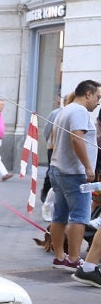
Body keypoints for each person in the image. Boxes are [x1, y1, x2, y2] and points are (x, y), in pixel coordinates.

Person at [47, 79, 99, 271]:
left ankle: (60, 257)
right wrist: (88, 167)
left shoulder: (65, 110)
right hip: (74, 172)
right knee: (79, 217)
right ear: (88, 94)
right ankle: (74, 259)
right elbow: (77, 139)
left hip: (59, 169)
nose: (98, 101)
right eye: (98, 97)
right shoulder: (79, 111)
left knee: (59, 215)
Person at [40, 95, 68, 200]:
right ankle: (45, 193)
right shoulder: (56, 113)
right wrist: (50, 143)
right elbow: (47, 129)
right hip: (54, 147)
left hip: (65, 149)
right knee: (51, 171)